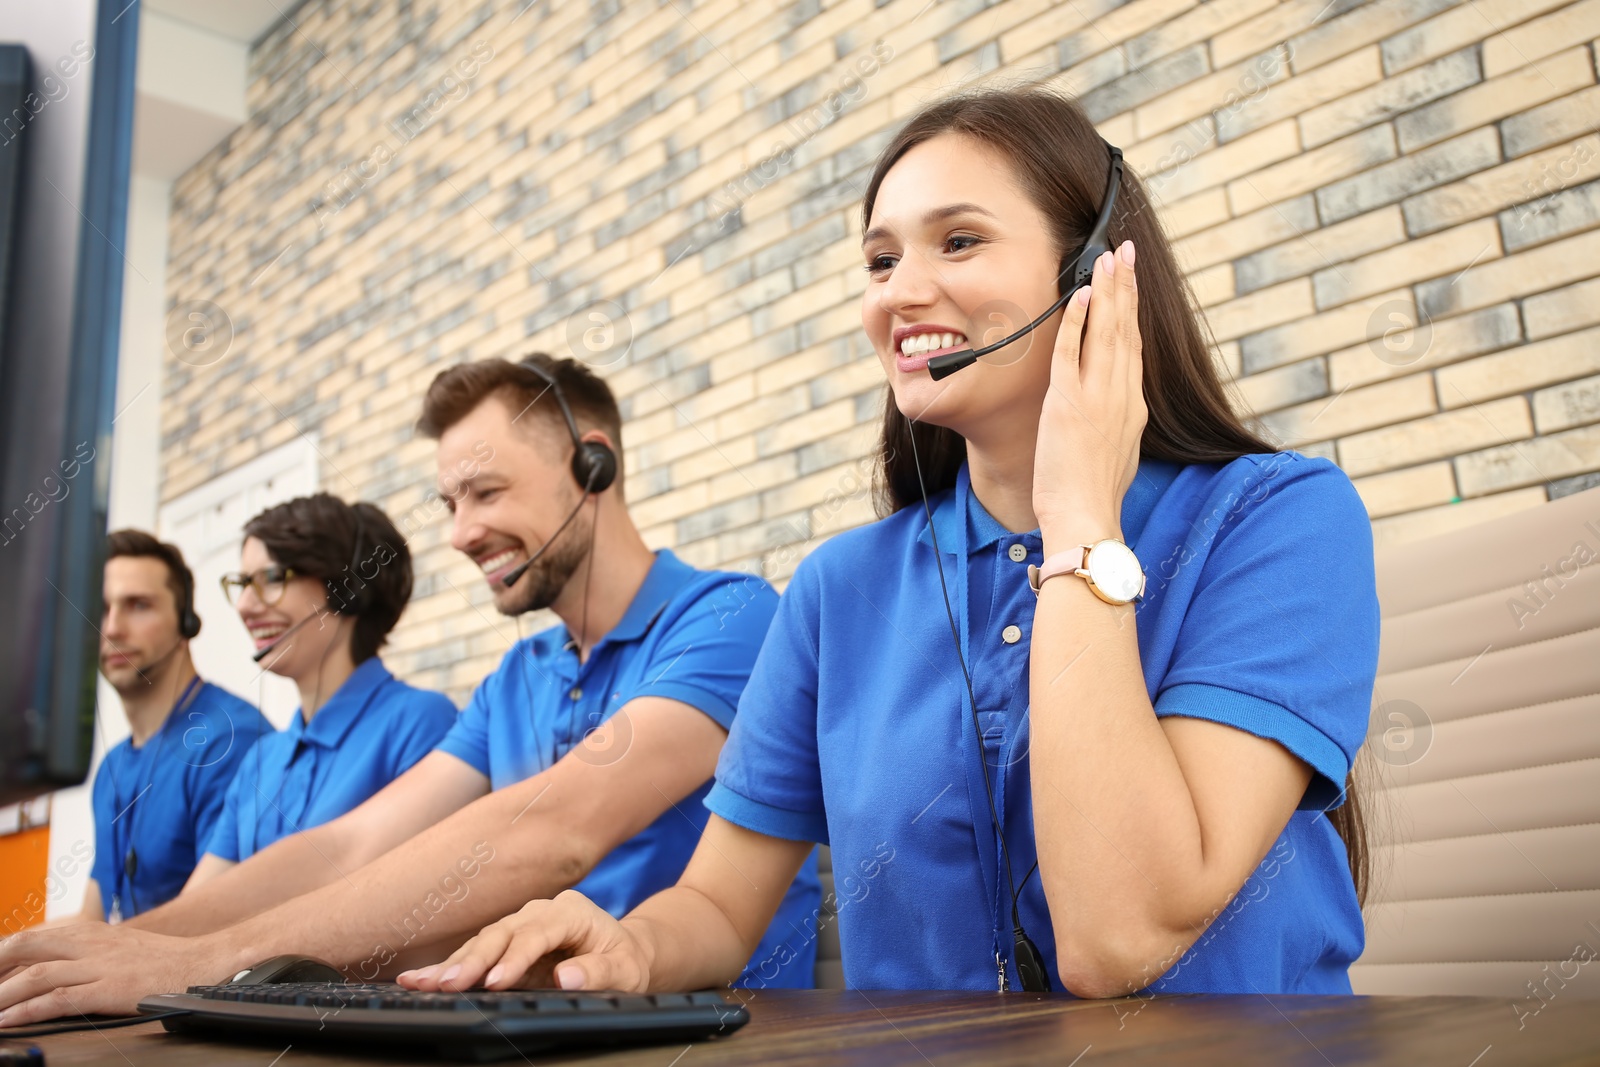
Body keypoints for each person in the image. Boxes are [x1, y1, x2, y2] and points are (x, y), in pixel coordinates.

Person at [395, 89, 1380, 1000]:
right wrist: (631, 944)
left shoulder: (1276, 519)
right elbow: (718, 903)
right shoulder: (840, 588)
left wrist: (1079, 517)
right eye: (879, 260)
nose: (900, 292)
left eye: (957, 240)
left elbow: (1115, 937)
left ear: (1091, 272)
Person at [0, 354, 820, 1025]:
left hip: (714, 1031)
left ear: (591, 464)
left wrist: (202, 962)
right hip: (535, 1027)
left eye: (487, 492)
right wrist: (123, 947)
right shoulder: (517, 677)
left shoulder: (730, 617)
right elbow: (350, 844)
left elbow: (558, 827)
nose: (460, 532)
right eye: (450, 502)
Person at [185, 495, 458, 886]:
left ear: (344, 587)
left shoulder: (419, 723)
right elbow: (201, 906)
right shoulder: (261, 760)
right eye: (243, 584)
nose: (245, 605)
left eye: (273, 578)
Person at [79, 531, 270, 922]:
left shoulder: (230, 740)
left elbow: (213, 921)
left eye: (138, 605)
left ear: (186, 623)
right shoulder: (111, 766)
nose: (112, 629)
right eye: (101, 609)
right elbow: (91, 920)